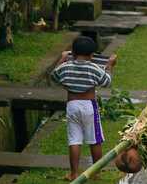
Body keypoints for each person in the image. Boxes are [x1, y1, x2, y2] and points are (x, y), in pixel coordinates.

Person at [50, 36, 117, 181]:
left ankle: (73, 173)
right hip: (89, 106)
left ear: (72, 53)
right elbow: (106, 82)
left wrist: (62, 59)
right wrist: (110, 66)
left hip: (72, 105)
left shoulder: (66, 67)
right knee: (94, 139)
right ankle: (96, 172)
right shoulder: (93, 68)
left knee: (74, 140)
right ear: (92, 55)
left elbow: (54, 76)